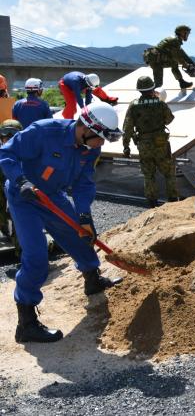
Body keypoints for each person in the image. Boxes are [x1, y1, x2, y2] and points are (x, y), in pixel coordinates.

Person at [0, 102, 124, 343]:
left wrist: (84, 216)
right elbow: (6, 153)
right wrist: (20, 181)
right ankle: (26, 323)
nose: (102, 143)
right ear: (85, 128)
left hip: (53, 195)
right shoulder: (44, 131)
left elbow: (84, 183)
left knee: (79, 235)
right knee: (36, 257)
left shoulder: (90, 148)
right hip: (24, 196)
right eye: (100, 137)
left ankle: (92, 279)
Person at [122, 76, 178, 208]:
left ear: (139, 90)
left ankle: (152, 203)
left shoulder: (133, 106)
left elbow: (127, 128)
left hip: (144, 144)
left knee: (148, 174)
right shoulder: (160, 103)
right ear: (152, 88)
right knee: (169, 172)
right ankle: (173, 201)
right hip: (160, 143)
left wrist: (126, 147)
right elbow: (169, 119)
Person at [143, 25, 195, 90]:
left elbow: (182, 54)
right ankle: (149, 95)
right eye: (187, 33)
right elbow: (177, 57)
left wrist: (192, 63)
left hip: (157, 59)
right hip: (156, 60)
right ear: (183, 33)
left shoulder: (175, 40)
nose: (188, 35)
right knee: (158, 83)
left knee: (174, 63)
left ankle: (182, 82)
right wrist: (187, 66)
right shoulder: (175, 40)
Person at [0, 120, 22, 257]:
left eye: (12, 134)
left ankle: (23, 255)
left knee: (20, 222)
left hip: (19, 193)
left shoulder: (26, 155)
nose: (8, 138)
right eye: (4, 134)